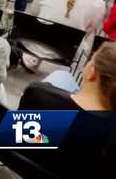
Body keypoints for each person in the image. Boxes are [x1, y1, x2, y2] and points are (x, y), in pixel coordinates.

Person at [16, 42, 116, 178]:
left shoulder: (38, 94)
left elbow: (18, 140)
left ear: (92, 72)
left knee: (62, 77)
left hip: (19, 166)